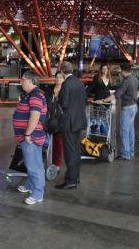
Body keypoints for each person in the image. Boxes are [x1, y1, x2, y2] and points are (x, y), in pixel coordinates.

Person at [13, 71, 48, 204]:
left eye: (23, 80)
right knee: (30, 162)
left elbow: (35, 116)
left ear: (30, 81)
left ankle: (38, 193)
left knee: (34, 165)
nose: (21, 82)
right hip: (28, 137)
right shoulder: (31, 95)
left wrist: (27, 134)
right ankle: (30, 185)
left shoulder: (35, 96)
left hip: (31, 137)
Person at [97, 63, 139, 160]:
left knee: (124, 131)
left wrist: (104, 100)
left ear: (122, 71)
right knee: (130, 130)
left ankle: (125, 154)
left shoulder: (125, 81)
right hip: (134, 106)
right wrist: (135, 97)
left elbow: (116, 95)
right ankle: (131, 151)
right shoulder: (134, 78)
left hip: (127, 108)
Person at [56, 61, 86, 189]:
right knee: (76, 150)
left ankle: (70, 180)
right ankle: (76, 177)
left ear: (62, 71)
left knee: (69, 152)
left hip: (68, 122)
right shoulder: (79, 83)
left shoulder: (66, 84)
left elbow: (64, 104)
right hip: (79, 121)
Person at [45, 72, 65, 171]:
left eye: (60, 77)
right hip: (50, 119)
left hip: (61, 120)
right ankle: (49, 160)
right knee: (49, 141)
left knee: (59, 142)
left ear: (64, 79)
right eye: (56, 77)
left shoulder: (65, 90)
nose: (58, 79)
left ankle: (57, 164)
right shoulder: (49, 90)